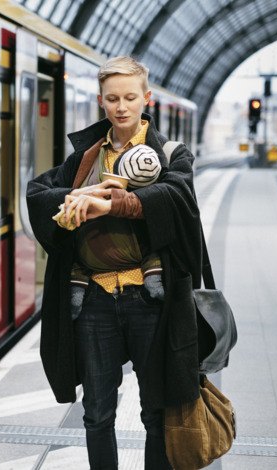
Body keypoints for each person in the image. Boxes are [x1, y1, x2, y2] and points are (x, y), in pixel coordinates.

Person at [26, 56, 203, 470]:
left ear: (146, 98)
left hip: (151, 298)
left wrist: (106, 203)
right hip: (95, 299)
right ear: (100, 101)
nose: (121, 107)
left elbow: (176, 200)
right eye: (111, 98)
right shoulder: (86, 158)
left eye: (129, 97)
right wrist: (72, 201)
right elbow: (38, 194)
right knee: (96, 415)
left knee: (156, 414)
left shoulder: (172, 153)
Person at [66, 144, 165, 320]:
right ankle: (77, 289)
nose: (121, 113)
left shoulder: (166, 153)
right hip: (96, 291)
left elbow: (170, 202)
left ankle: (153, 279)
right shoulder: (88, 154)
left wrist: (110, 205)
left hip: (141, 292)